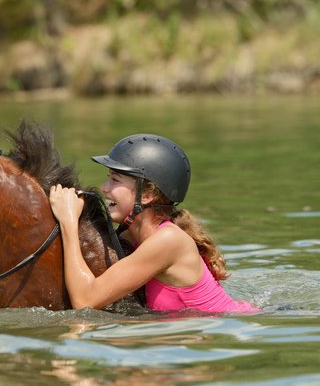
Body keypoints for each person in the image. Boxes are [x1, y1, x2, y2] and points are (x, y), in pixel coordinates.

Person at [49, 134, 257, 313]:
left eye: (116, 180)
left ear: (148, 194)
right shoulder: (131, 236)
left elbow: (85, 301)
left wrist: (68, 221)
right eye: (107, 178)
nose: (104, 187)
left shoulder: (168, 240)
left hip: (226, 329)